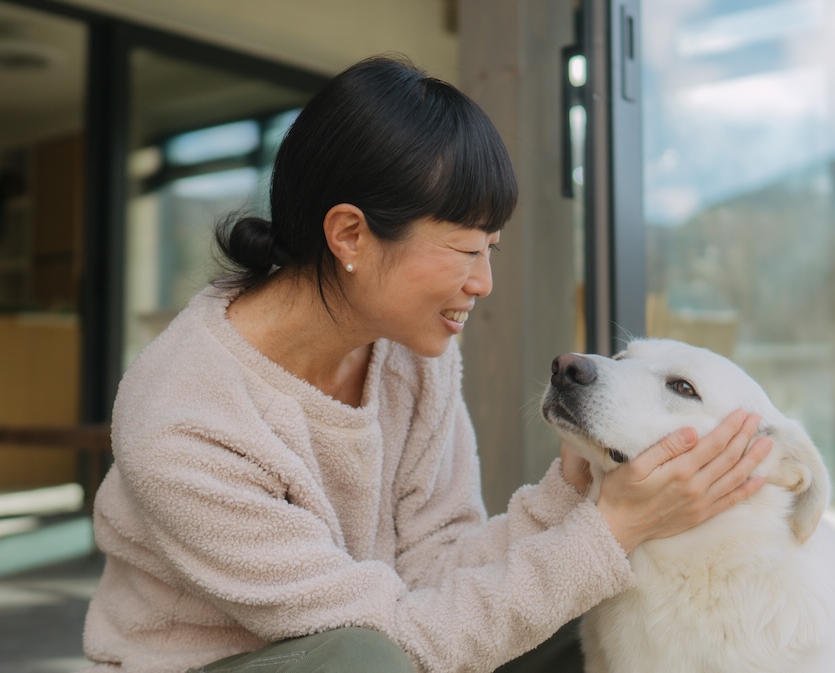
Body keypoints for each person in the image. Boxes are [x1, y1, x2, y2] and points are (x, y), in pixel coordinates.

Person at [81, 55, 771, 673]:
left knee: (589, 612)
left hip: (386, 634)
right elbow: (402, 646)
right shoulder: (183, 418)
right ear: (349, 232)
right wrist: (611, 529)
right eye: (465, 251)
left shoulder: (411, 352)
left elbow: (440, 568)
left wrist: (571, 492)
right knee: (366, 660)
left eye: (490, 251)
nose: (483, 283)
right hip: (256, 662)